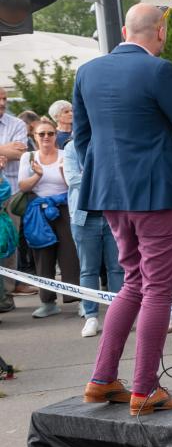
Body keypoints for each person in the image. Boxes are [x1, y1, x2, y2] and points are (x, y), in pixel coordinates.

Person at [77, 2, 172, 414]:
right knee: (157, 290)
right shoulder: (158, 70)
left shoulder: (87, 71)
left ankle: (101, 379)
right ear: (160, 32)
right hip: (156, 195)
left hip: (110, 195)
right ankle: (145, 388)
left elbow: (82, 140)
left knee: (133, 283)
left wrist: (110, 177)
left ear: (125, 31)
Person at [62, 140, 125, 337]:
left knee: (117, 267)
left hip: (112, 213)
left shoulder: (111, 143)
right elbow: (72, 179)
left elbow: (121, 176)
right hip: (83, 216)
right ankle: (91, 316)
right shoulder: (71, 147)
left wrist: (91, 178)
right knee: (88, 269)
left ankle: (118, 315)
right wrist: (104, 178)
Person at [20, 120, 80, 318]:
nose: (46, 137)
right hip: (38, 211)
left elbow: (71, 183)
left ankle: (77, 299)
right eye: (41, 134)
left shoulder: (65, 155)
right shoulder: (28, 157)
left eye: (50, 133)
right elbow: (23, 186)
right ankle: (48, 301)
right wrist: (37, 176)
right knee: (43, 256)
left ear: (56, 135)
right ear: (34, 137)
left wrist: (63, 172)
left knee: (70, 255)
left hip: (63, 208)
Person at [0, 88, 30, 313]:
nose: (2, 102)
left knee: (9, 242)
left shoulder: (16, 124)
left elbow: (20, 153)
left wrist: (11, 151)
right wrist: (5, 149)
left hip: (10, 190)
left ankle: (8, 290)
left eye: (4, 99)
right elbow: (10, 151)